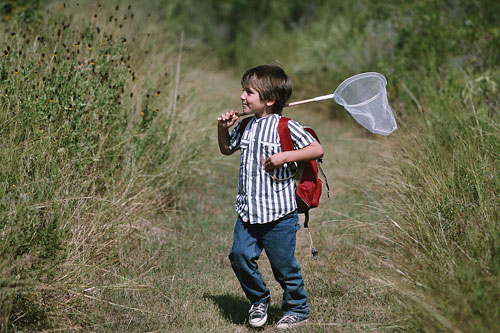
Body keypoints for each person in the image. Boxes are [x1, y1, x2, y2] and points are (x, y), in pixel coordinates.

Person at [217, 64, 323, 330]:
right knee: (239, 256)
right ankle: (258, 300)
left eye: (249, 92)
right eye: (243, 90)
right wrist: (222, 127)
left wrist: (284, 157)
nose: (242, 96)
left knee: (283, 266)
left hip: (279, 215)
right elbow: (227, 148)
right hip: (248, 212)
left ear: (270, 100)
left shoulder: (285, 126)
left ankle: (297, 308)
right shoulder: (245, 126)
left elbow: (316, 148)